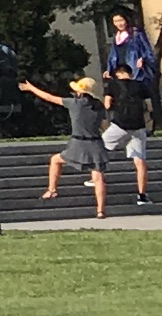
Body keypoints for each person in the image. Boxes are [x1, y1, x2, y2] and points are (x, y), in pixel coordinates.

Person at [24, 62, 116, 219]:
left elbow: (49, 97)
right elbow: (104, 125)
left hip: (78, 142)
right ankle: (100, 210)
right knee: (98, 177)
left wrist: (31, 88)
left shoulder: (74, 104)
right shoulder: (98, 105)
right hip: (95, 143)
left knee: (55, 160)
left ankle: (52, 189)